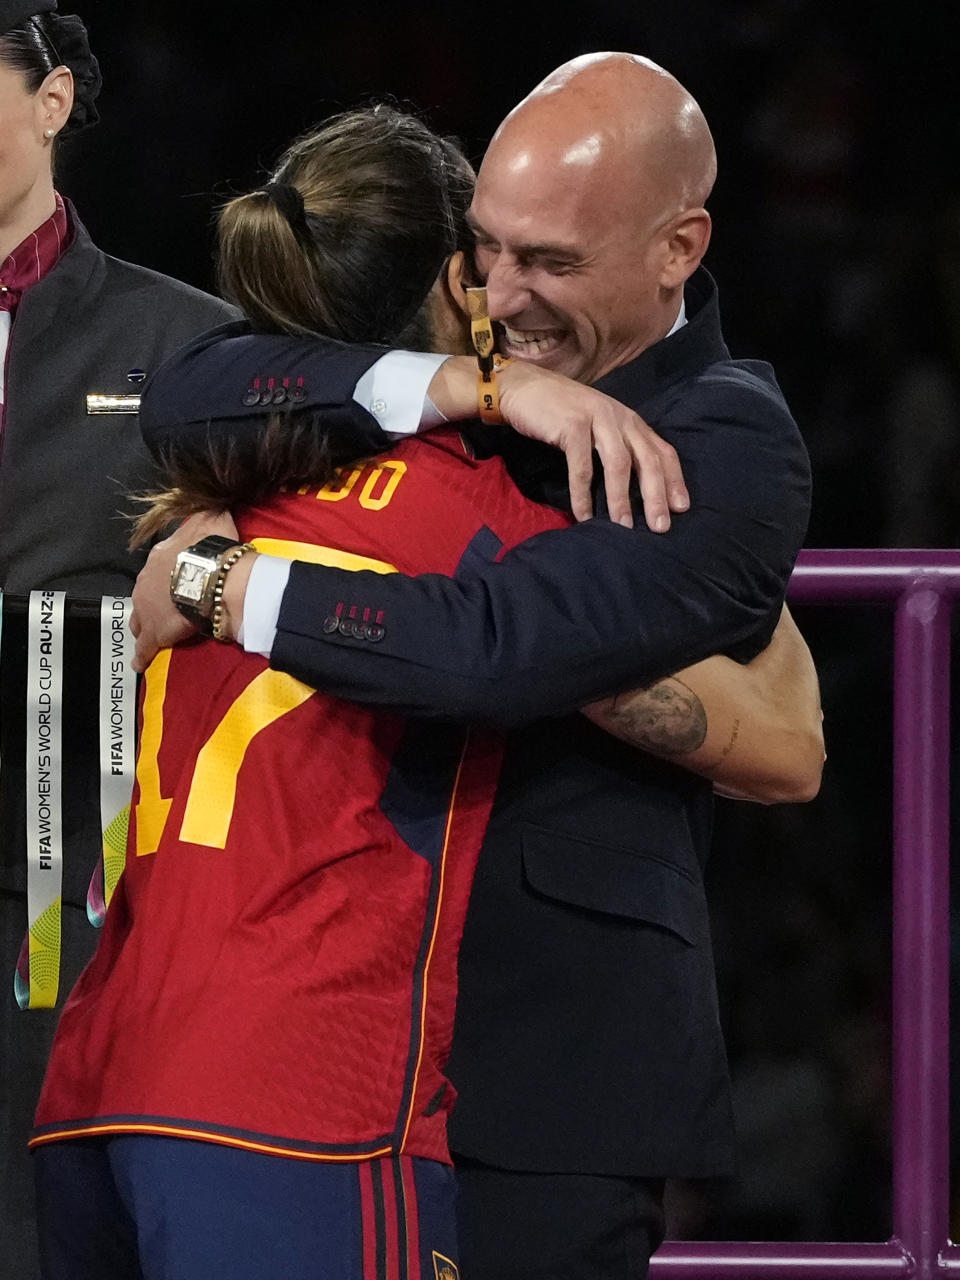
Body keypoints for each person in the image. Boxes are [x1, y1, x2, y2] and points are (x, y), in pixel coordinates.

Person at [32, 105, 819, 1280]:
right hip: (327, 1052)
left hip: (537, 1059)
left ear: (679, 248)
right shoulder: (369, 419)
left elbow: (767, 737)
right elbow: (188, 385)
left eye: (550, 262)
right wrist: (474, 388)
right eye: (489, 253)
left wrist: (227, 579)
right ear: (450, 271)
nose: (507, 294)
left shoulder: (722, 438)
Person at [0, 3, 238, 1274]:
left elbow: (241, 558)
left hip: (65, 861)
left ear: (54, 103)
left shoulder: (175, 339)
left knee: (48, 1216)